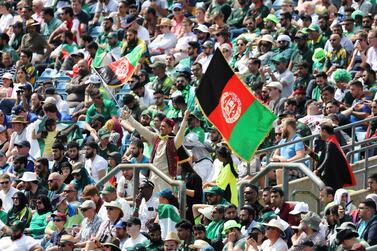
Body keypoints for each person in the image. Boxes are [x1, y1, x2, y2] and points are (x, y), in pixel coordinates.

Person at [121, 109, 189, 190]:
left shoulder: (174, 142)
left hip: (166, 180)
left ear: (170, 129)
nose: (160, 128)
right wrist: (129, 117)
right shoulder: (156, 138)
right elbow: (141, 129)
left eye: (163, 126)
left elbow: (181, 133)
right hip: (153, 179)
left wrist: (185, 119)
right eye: (161, 125)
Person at [307, 122, 356, 190]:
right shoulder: (332, 142)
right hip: (334, 179)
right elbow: (322, 158)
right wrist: (310, 153)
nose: (320, 133)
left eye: (320, 131)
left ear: (324, 131)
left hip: (332, 180)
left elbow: (326, 160)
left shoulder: (330, 144)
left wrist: (317, 170)